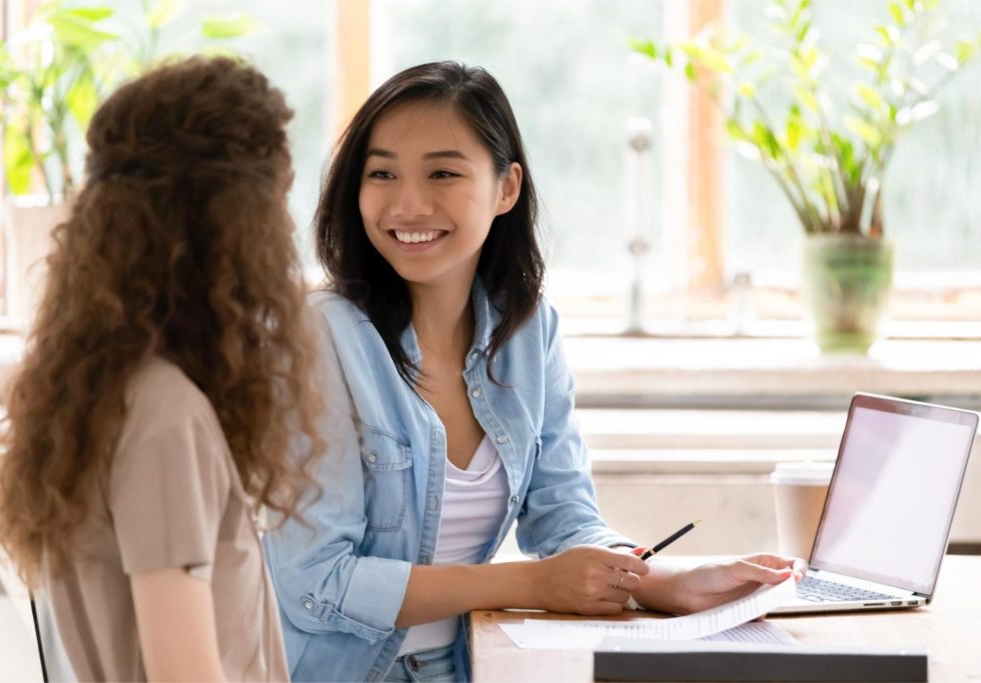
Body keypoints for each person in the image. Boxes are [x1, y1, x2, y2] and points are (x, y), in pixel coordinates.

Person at [264, 60, 806, 683]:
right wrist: (529, 582)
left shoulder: (527, 332)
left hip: (467, 666)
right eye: (381, 173)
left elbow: (564, 516)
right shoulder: (317, 338)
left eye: (442, 172)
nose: (408, 203)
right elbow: (316, 580)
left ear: (506, 188)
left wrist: (667, 583)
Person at [0, 56, 325, 682]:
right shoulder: (165, 417)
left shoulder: (102, 395)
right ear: (227, 226)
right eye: (275, 205)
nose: (282, 234)